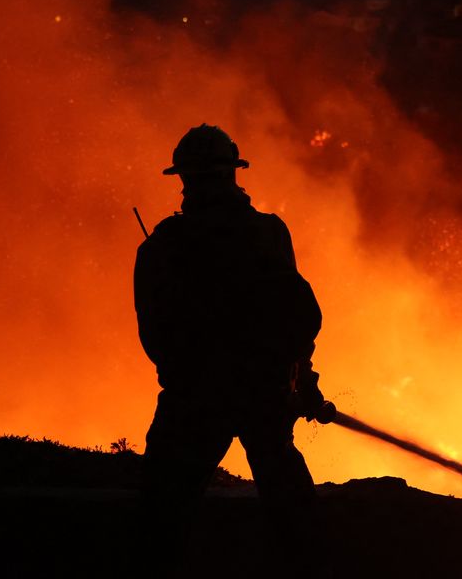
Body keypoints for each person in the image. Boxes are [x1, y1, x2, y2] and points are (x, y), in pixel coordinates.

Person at [134, 123, 332, 571]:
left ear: (182, 178)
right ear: (234, 174)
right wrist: (298, 379)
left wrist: (191, 380)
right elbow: (298, 318)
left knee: (163, 513)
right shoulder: (266, 233)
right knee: (292, 508)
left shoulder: (163, 247)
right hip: (262, 394)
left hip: (194, 401)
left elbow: (156, 335)